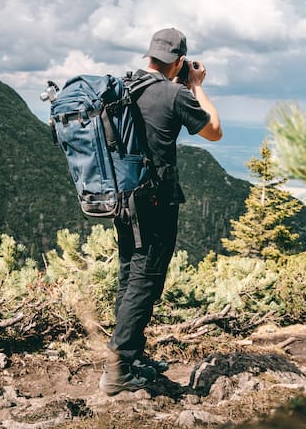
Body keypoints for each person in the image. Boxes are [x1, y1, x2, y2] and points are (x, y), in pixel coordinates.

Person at [99, 27, 223, 396]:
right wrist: (196, 85)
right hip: (155, 202)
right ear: (179, 61)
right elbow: (214, 130)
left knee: (130, 275)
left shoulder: (125, 88)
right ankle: (119, 369)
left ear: (150, 57)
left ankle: (130, 357)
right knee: (146, 279)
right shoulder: (173, 94)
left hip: (122, 198)